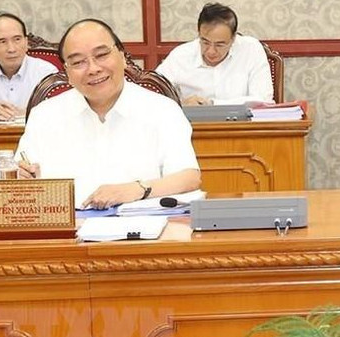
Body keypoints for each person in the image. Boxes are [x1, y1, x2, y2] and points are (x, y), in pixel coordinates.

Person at [16, 19, 201, 208]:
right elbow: (18, 176)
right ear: (67, 72)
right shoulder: (44, 116)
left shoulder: (163, 110)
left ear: (122, 57)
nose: (93, 69)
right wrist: (19, 178)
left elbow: (189, 177)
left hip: (143, 230)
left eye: (102, 55)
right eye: (78, 62)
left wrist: (137, 189)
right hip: (66, 232)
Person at [156, 3, 274, 105]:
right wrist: (180, 104)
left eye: (219, 45)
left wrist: (211, 104)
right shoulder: (181, 56)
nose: (211, 51)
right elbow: (153, 93)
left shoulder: (251, 49)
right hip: (193, 127)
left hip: (243, 127)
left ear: (233, 38)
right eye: (205, 42)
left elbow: (263, 101)